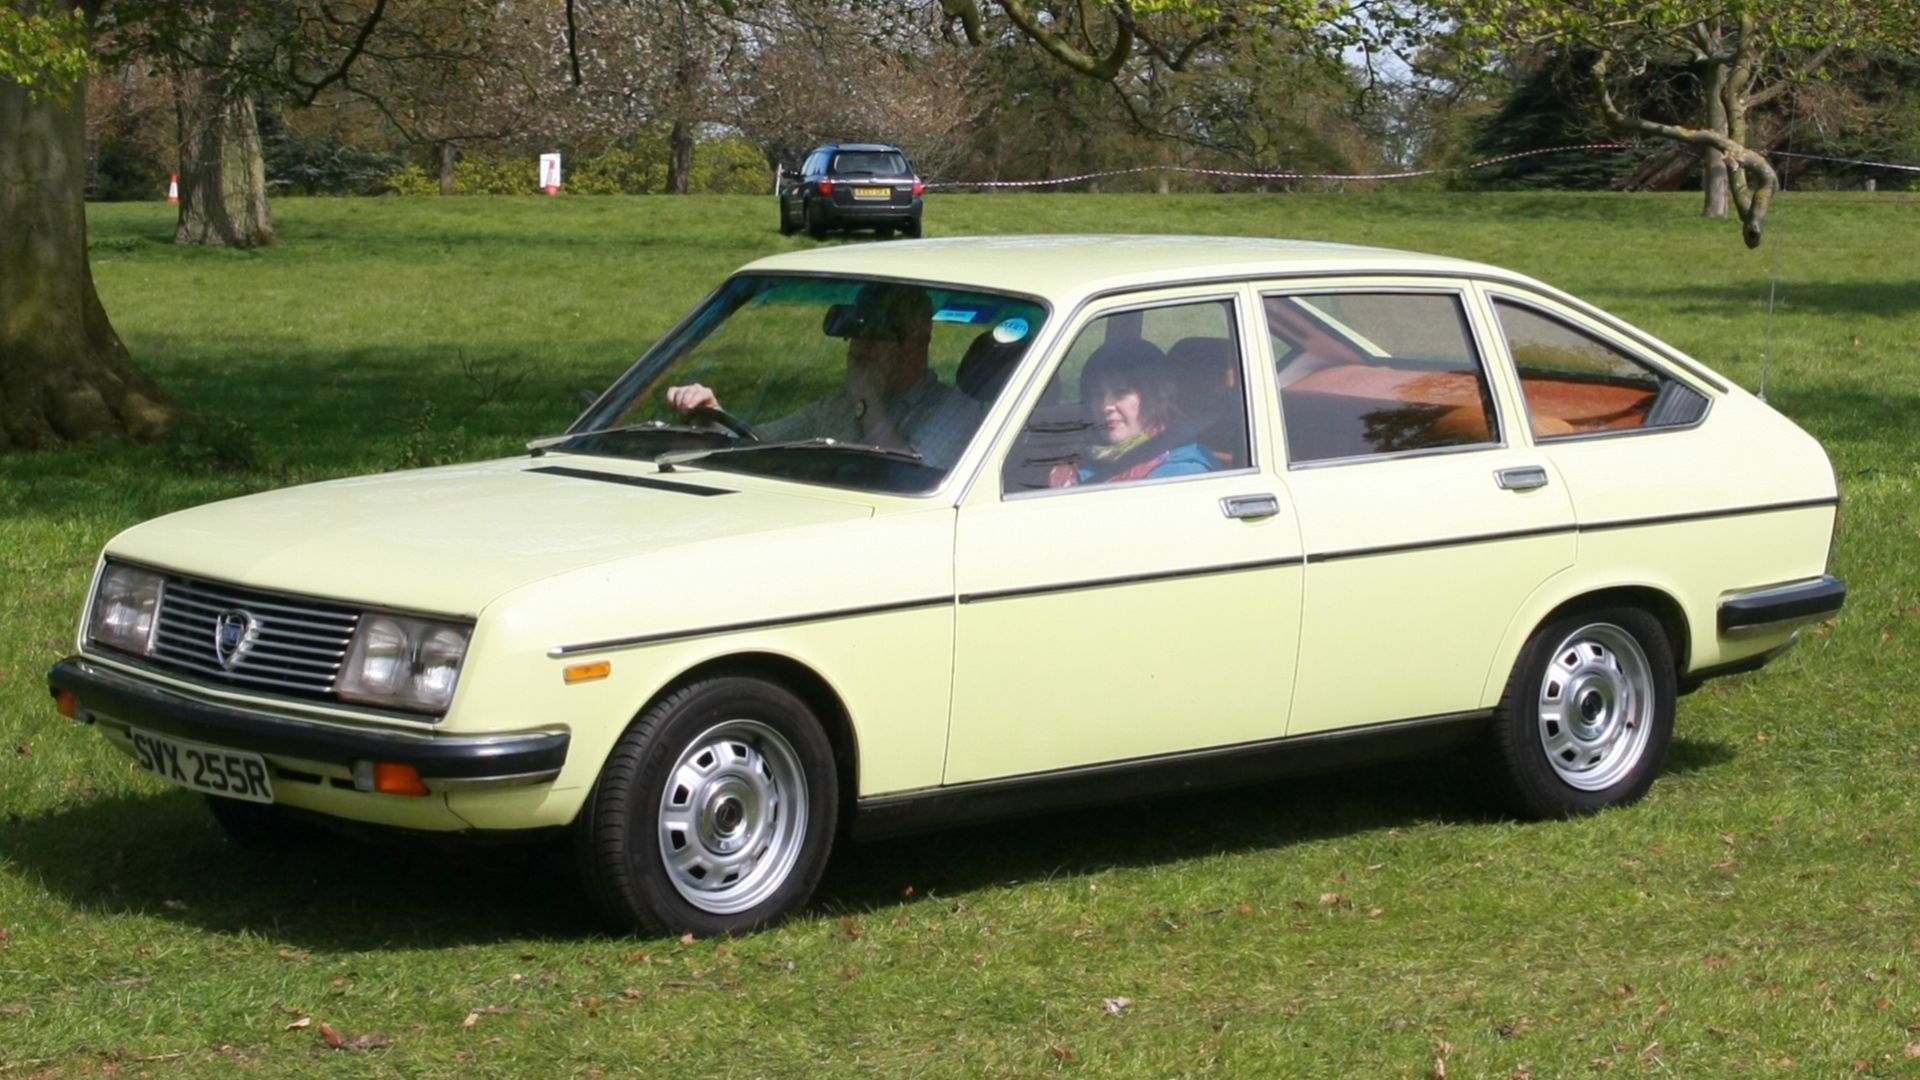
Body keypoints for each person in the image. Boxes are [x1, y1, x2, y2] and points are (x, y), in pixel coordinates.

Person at [664, 282, 982, 470]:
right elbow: (758, 445)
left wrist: (869, 405)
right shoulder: (836, 407)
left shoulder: (958, 412)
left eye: (877, 334)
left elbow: (908, 473)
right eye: (856, 332)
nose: (861, 346)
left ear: (916, 342)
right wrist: (713, 414)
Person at [1048, 340, 1218, 487]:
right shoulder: (1081, 460)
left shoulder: (1182, 475)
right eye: (1098, 394)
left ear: (1155, 397)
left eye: (1121, 392)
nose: (1106, 406)